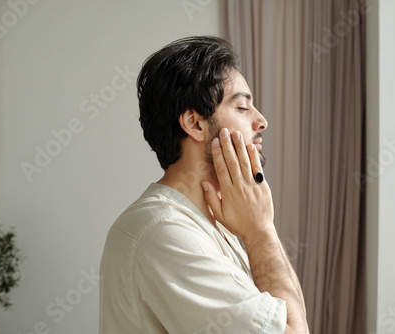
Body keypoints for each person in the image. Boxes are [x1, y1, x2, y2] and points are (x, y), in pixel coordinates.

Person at [99, 36, 309, 333]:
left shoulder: (217, 222)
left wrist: (261, 228)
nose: (261, 121)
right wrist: (261, 231)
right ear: (195, 124)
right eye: (242, 108)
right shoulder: (162, 231)